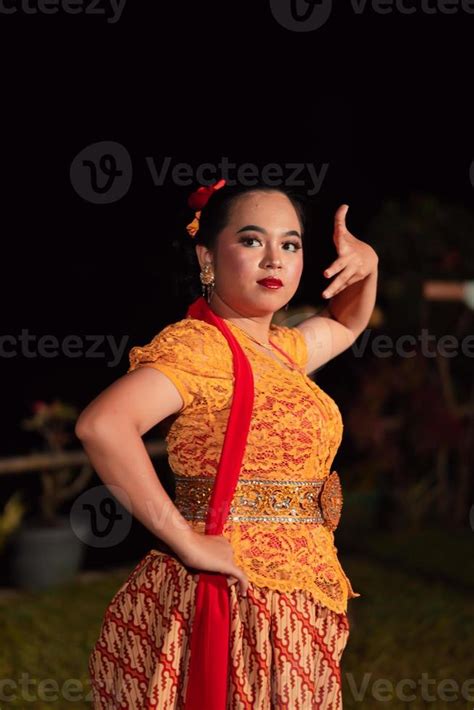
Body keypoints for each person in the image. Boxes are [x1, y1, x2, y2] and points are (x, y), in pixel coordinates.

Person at [76, 179, 379, 709]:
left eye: (290, 244)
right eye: (251, 240)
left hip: (299, 588)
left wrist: (369, 263)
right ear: (207, 255)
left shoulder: (282, 349)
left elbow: (346, 323)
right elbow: (103, 426)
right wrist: (185, 539)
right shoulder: (203, 348)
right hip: (236, 593)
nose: (274, 259)